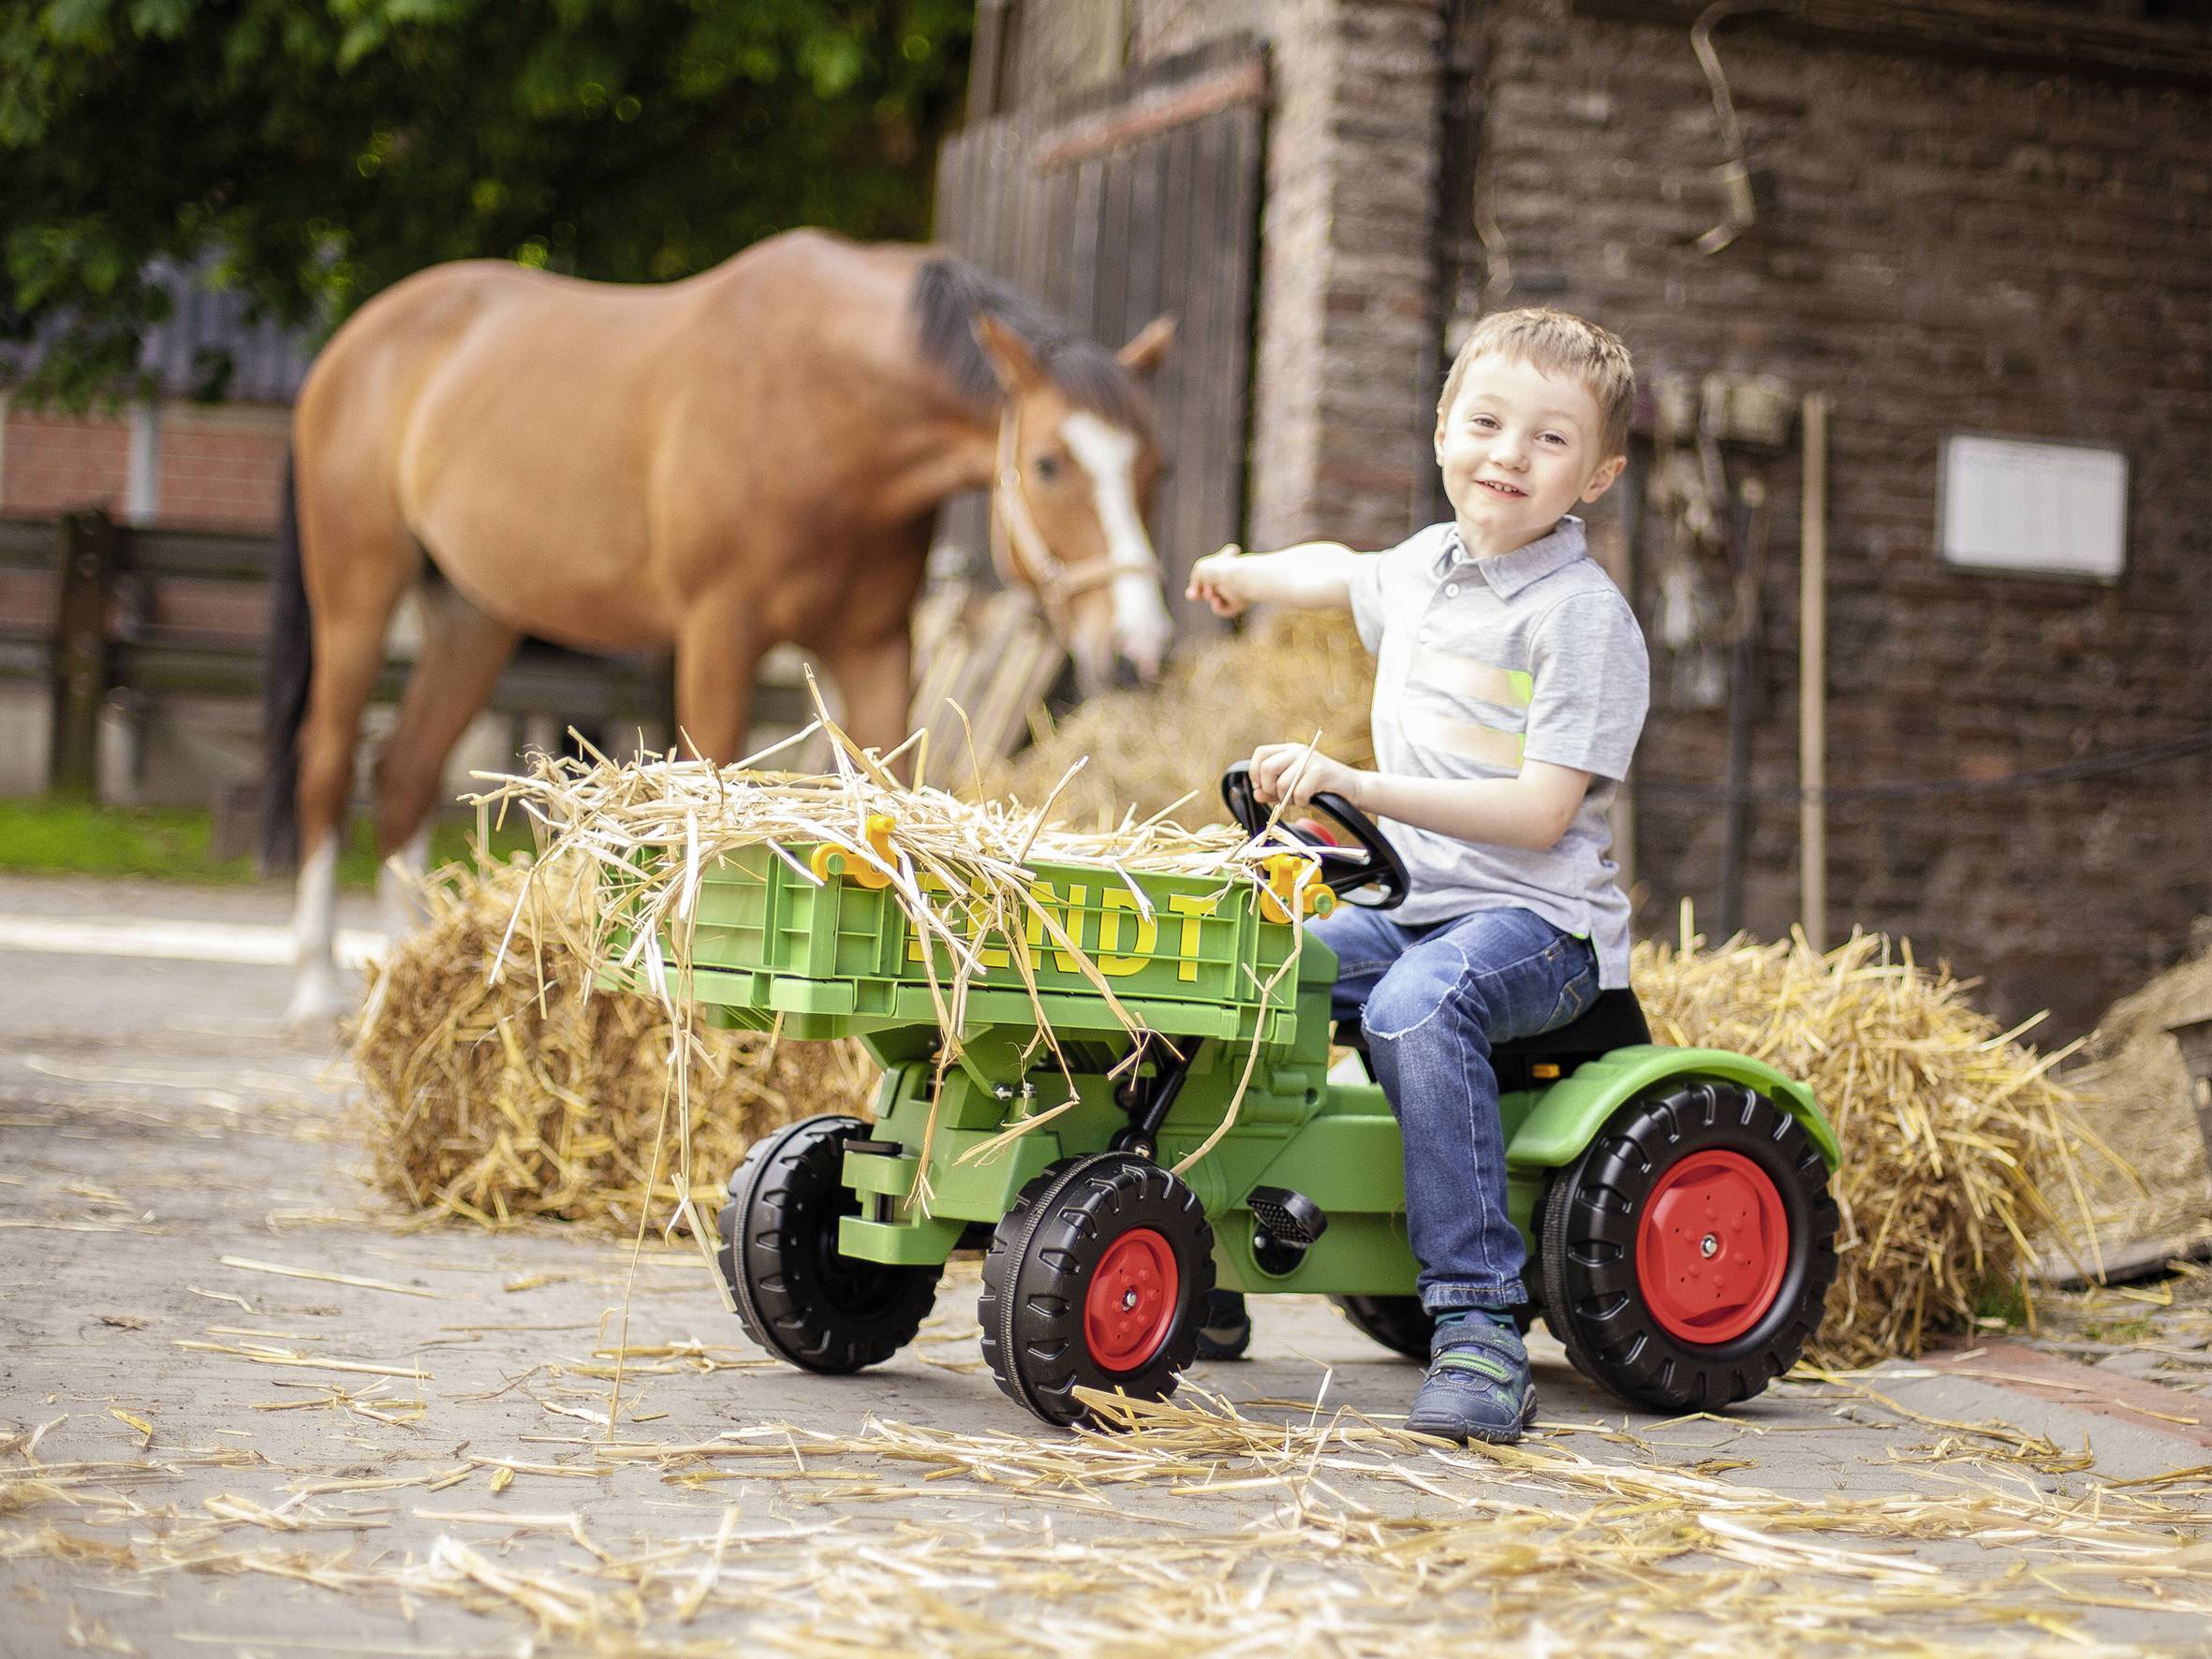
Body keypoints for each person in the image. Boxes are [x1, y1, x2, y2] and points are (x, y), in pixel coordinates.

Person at [1182, 308, 1648, 1445]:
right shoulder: (1425, 571)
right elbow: (1337, 567)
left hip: (1534, 925)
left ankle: (1481, 1326)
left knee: (1417, 1004)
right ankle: (1200, 1261)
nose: (1508, 454)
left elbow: (1543, 816)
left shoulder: (1579, 620)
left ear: (1597, 475)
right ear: (1443, 431)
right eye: (1485, 422)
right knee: (1241, 970)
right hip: (1412, 904)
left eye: (1549, 440)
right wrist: (1241, 571)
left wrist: (1358, 783)